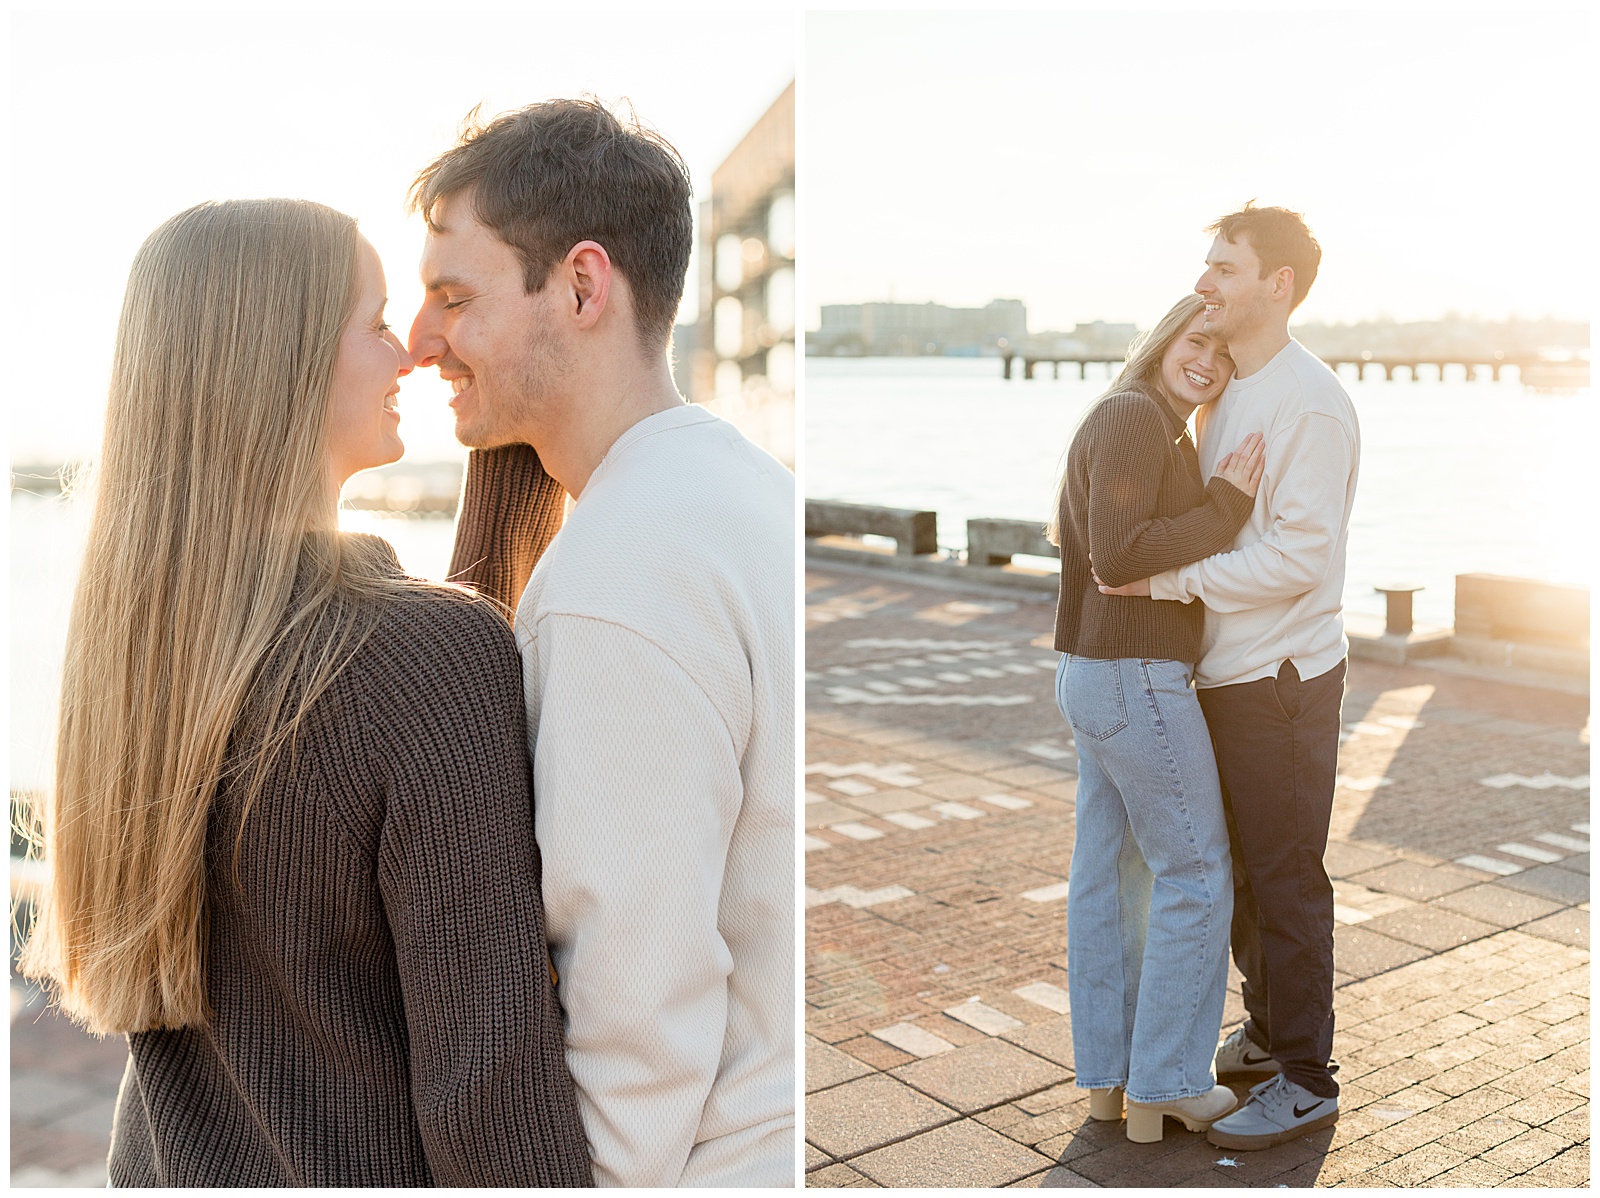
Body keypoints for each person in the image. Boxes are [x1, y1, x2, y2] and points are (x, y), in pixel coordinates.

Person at [19, 199, 592, 1187]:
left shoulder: (143, 656)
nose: (411, 350)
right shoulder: (419, 658)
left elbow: (377, 708)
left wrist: (505, 451)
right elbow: (488, 1096)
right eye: (374, 322)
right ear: (279, 365)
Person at [408, 99, 795, 1187]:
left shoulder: (617, 572)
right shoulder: (742, 492)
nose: (423, 339)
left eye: (453, 298)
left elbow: (633, 1016)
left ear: (582, 286)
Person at [1098, 203, 1360, 1150]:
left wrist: (1164, 577)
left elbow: (1300, 557)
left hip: (1281, 678)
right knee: (1244, 875)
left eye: (1224, 268)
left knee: (1285, 877)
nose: (1204, 282)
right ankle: (1266, 1031)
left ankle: (1306, 1076)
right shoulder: (1226, 392)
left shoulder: (1310, 401)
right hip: (1221, 673)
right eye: (1205, 265)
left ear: (1276, 285)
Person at [1049, 293, 1265, 1143]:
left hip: (1095, 673)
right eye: (1196, 339)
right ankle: (1169, 1081)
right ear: (1165, 337)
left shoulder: (1131, 418)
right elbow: (1119, 558)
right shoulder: (1139, 417)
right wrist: (1225, 507)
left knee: (1112, 879)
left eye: (1225, 354)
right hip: (1134, 674)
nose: (1208, 360)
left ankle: (1114, 1083)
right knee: (1197, 872)